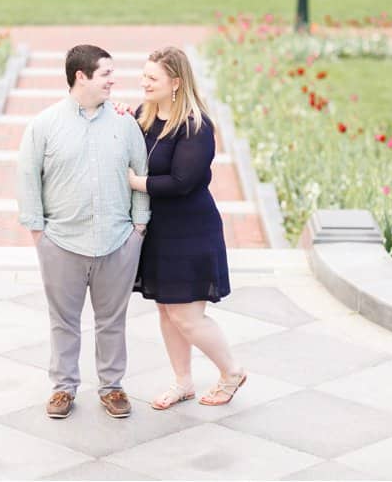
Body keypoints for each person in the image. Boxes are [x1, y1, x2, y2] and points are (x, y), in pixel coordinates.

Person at [17, 44, 151, 419]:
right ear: (81, 76)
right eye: (106, 73)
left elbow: (141, 169)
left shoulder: (126, 124)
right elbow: (27, 179)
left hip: (117, 242)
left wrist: (138, 227)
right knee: (63, 321)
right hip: (60, 243)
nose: (113, 80)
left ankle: (112, 387)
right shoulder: (43, 125)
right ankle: (63, 388)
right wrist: (38, 233)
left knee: (112, 321)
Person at [127, 46, 247, 409]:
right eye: (144, 75)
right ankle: (182, 382)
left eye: (153, 78)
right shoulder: (142, 116)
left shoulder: (196, 126)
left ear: (176, 82)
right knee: (166, 310)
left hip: (191, 231)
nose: (144, 83)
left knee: (188, 316)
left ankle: (231, 372)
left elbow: (182, 181)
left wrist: (135, 183)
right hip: (158, 232)